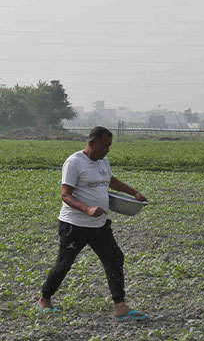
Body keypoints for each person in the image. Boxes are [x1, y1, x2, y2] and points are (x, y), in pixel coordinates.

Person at [38, 126, 150, 322]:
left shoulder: (102, 161)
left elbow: (111, 181)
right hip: (75, 225)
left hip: (99, 225)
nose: (108, 150)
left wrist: (134, 193)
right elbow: (65, 194)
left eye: (109, 146)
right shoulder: (74, 162)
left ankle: (120, 306)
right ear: (92, 143)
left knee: (114, 258)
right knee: (64, 264)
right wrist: (87, 209)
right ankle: (44, 299)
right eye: (105, 145)